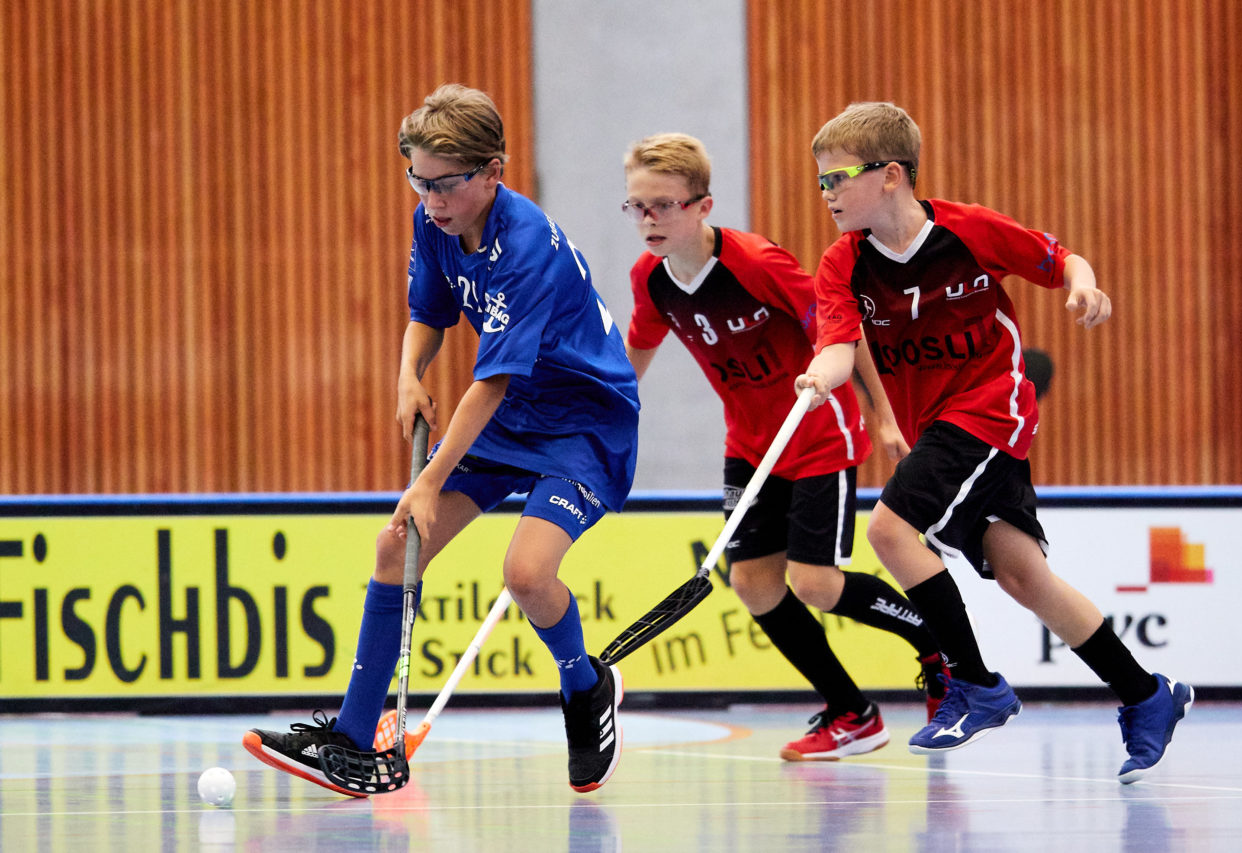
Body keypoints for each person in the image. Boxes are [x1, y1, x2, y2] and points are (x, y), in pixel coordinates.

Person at [243, 84, 640, 795]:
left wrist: (427, 480)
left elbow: (487, 383)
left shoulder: (525, 248)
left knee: (526, 574)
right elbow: (427, 310)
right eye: (417, 181)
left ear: (494, 171)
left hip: (584, 421)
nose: (430, 200)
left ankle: (585, 685)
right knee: (396, 543)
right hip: (514, 414)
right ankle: (355, 740)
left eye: (446, 185)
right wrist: (408, 370)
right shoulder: (436, 220)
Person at [796, 101, 1192, 783]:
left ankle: (975, 684)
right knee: (1022, 573)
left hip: (991, 407)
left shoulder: (969, 231)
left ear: (891, 175)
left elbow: (1061, 259)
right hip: (938, 426)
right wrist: (818, 378)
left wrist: (1085, 286)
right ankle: (1147, 694)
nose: (826, 193)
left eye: (839, 178)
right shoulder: (843, 265)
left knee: (890, 531)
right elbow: (837, 347)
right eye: (821, 181)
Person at [622, 133, 947, 761]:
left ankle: (938, 642)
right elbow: (635, 353)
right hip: (749, 444)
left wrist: (883, 416)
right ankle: (853, 712)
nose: (648, 220)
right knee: (755, 584)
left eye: (663, 205)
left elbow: (841, 331)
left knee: (816, 584)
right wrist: (600, 419)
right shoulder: (651, 280)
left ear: (702, 206)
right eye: (636, 207)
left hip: (820, 434)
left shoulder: (757, 264)